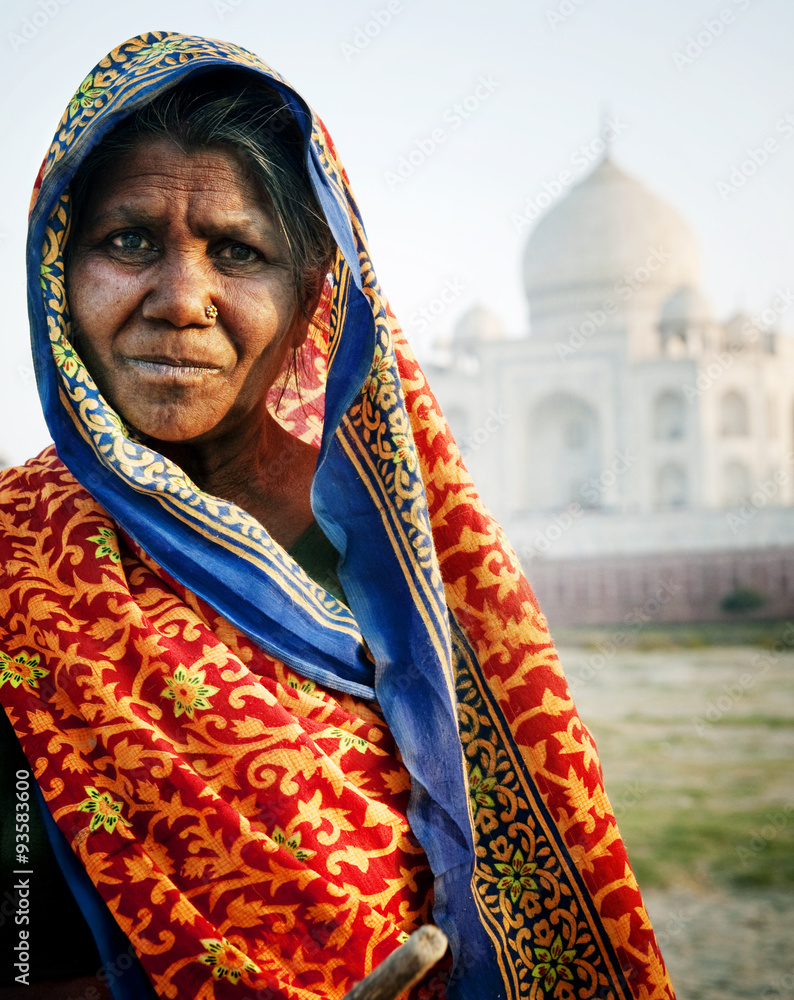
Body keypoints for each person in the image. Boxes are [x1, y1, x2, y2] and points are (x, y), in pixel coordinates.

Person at [0, 31, 676, 1000]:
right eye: (129, 240)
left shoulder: (410, 566)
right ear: (58, 264)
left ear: (313, 288)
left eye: (237, 251)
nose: (180, 299)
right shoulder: (19, 561)